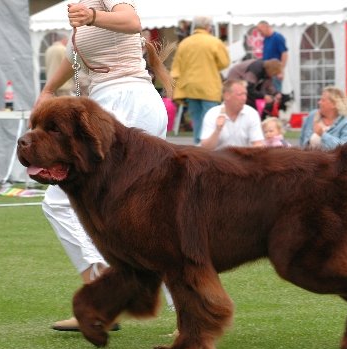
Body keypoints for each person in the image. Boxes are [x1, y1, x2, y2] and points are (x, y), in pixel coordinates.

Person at [33, 0, 175, 331]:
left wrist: (93, 15)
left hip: (122, 103)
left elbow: (131, 19)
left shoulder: (95, 6)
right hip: (131, 102)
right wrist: (49, 89)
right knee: (147, 212)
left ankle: (100, 300)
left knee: (58, 201)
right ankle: (185, 308)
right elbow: (74, 57)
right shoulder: (81, 8)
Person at [171, 15, 230, 144]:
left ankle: (198, 144)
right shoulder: (214, 42)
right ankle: (208, 147)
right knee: (210, 118)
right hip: (209, 86)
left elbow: (176, 67)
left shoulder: (184, 43)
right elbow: (224, 63)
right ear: (208, 27)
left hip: (189, 86)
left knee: (196, 119)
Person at [199, 79, 264, 150]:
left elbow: (258, 144)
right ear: (227, 96)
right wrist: (217, 130)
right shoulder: (212, 114)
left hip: (244, 158)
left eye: (245, 94)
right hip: (218, 158)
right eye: (240, 94)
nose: (244, 98)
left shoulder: (251, 113)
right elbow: (206, 148)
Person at [299, 86, 347, 150]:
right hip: (309, 159)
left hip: (333, 160)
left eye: (323, 100)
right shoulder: (312, 115)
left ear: (334, 104)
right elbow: (301, 141)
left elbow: (345, 148)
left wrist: (323, 134)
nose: (319, 102)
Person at [256, 20, 288, 92]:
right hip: (267, 72)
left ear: (266, 27)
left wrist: (281, 71)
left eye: (260, 30)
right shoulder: (266, 39)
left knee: (276, 92)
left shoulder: (278, 37)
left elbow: (284, 54)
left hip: (275, 72)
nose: (260, 33)